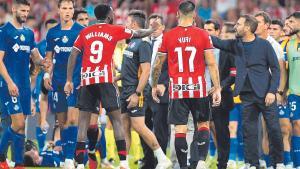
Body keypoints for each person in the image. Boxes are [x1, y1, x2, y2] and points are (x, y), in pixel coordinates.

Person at [64, 3, 163, 169]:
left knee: (83, 124)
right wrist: (152, 30)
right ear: (109, 16)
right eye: (113, 13)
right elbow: (138, 33)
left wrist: (68, 80)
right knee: (117, 121)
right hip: (105, 80)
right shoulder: (114, 29)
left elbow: (73, 54)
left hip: (87, 80)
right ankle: (124, 163)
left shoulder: (85, 31)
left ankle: (80, 165)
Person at [151, 1, 222, 169]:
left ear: (177, 15)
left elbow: (158, 65)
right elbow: (211, 64)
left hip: (178, 90)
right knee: (203, 125)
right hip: (199, 88)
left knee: (180, 129)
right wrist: (217, 87)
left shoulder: (168, 36)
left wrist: (154, 85)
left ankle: (183, 166)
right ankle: (201, 162)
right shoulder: (203, 35)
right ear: (194, 15)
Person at [211, 14, 284, 169]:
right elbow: (216, 42)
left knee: (274, 129)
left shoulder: (264, 45)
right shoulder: (235, 44)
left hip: (266, 94)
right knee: (249, 131)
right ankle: (252, 163)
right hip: (246, 95)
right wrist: (194, 30)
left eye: (238, 24)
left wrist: (272, 91)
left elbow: (276, 69)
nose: (235, 27)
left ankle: (278, 162)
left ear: (247, 27)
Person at [119, 10, 171, 169]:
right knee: (125, 126)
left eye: (128, 22)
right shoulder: (132, 42)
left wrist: (137, 93)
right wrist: (118, 77)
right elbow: (131, 68)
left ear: (134, 24)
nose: (126, 25)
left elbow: (146, 70)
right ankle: (124, 164)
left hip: (139, 91)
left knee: (140, 126)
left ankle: (162, 158)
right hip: (126, 90)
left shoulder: (143, 44)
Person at [0, 0, 49, 168]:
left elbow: (35, 57)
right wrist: (9, 82)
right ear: (13, 9)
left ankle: (19, 163)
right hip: (9, 85)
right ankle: (0, 158)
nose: (25, 13)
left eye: (27, 11)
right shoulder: (4, 31)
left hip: (25, 86)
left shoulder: (29, 33)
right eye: (22, 10)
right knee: (17, 124)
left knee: (22, 128)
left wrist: (44, 62)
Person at [43, 0, 84, 167]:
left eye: (70, 8)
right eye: (64, 8)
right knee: (63, 122)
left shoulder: (81, 31)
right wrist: (46, 74)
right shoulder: (52, 33)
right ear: (58, 10)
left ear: (73, 10)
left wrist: (82, 79)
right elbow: (49, 57)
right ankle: (68, 157)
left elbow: (87, 57)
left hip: (75, 82)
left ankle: (68, 158)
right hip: (58, 82)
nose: (68, 11)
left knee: (74, 120)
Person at [254, 11, 288, 169]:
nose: (255, 25)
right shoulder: (252, 41)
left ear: (266, 25)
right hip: (257, 91)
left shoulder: (274, 45)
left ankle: (279, 162)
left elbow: (280, 71)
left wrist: (278, 92)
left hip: (271, 92)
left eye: (258, 22)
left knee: (274, 128)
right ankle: (267, 163)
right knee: (262, 129)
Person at [204, 20, 236, 169]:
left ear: (218, 32)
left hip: (222, 96)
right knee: (206, 127)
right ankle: (201, 160)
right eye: (204, 30)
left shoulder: (227, 50)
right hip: (203, 95)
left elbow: (234, 73)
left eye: (210, 30)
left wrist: (220, 87)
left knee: (222, 129)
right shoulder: (199, 50)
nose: (207, 33)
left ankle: (222, 162)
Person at [139, 13, 169, 169]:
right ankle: (148, 162)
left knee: (160, 128)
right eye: (151, 26)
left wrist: (164, 83)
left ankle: (161, 161)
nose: (153, 28)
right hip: (143, 91)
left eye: (156, 26)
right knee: (142, 127)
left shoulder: (168, 42)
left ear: (163, 27)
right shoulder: (142, 42)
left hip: (160, 91)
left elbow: (174, 66)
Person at [31, 18, 58, 152]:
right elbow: (36, 67)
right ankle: (42, 147)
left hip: (58, 83)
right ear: (46, 30)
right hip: (42, 84)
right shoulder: (40, 46)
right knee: (40, 115)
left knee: (59, 117)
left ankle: (56, 146)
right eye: (50, 29)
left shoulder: (62, 44)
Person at [285, 11, 300, 169]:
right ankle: (297, 164)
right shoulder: (289, 44)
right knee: (296, 124)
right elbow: (285, 71)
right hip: (294, 92)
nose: (288, 25)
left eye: (291, 22)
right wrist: (282, 91)